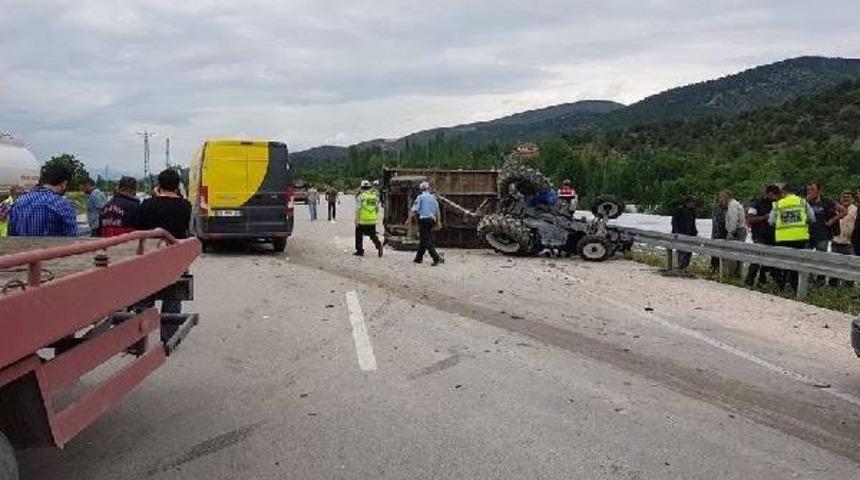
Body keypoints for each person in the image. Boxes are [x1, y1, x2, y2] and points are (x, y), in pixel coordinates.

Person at [137, 169, 192, 341]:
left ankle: (141, 333)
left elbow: (141, 228)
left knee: (145, 295)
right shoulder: (185, 206)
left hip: (150, 256)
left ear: (159, 185)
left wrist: (154, 196)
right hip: (175, 256)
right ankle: (169, 336)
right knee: (173, 296)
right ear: (178, 186)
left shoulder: (147, 204)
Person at [9, 163, 77, 237]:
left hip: (24, 248)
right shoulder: (63, 205)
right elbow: (71, 238)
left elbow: (12, 234)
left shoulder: (19, 202)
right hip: (53, 248)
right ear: (64, 184)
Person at [769, 185, 816, 291]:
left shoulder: (778, 204)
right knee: (797, 264)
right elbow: (812, 218)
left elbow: (771, 221)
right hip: (800, 238)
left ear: (783, 192)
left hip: (783, 238)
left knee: (783, 263)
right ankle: (796, 287)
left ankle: (781, 285)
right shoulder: (802, 202)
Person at [744, 185, 779, 286]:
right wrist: (765, 217)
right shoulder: (757, 204)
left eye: (775, 195)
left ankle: (762, 282)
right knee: (757, 259)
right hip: (759, 235)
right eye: (771, 195)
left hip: (772, 237)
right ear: (767, 193)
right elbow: (749, 219)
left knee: (768, 262)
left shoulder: (776, 205)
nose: (773, 197)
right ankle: (749, 280)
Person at [408, 181, 444, 266]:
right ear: (428, 188)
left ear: (421, 189)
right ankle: (418, 258)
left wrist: (408, 219)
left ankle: (436, 258)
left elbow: (414, 210)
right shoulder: (433, 198)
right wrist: (438, 222)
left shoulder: (420, 197)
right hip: (432, 220)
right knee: (424, 239)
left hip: (424, 220)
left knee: (426, 240)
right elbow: (437, 211)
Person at [830, 190, 856, 286]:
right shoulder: (835, 210)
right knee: (834, 267)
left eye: (848, 197)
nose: (845, 199)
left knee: (851, 268)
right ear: (840, 198)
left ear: (852, 199)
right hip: (836, 241)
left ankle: (848, 289)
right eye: (843, 196)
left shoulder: (856, 210)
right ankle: (832, 288)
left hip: (849, 243)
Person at [720, 190, 747, 277]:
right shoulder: (736, 204)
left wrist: (731, 232)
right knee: (739, 254)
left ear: (726, 197)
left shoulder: (732, 205)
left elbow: (733, 219)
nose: (721, 200)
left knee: (733, 254)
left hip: (737, 231)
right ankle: (737, 273)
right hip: (741, 230)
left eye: (722, 198)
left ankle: (733, 273)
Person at [354, 180, 383, 257]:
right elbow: (376, 208)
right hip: (372, 219)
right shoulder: (374, 196)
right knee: (372, 234)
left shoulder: (361, 196)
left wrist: (356, 220)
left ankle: (360, 251)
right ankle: (378, 245)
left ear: (362, 187)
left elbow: (358, 209)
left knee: (359, 235)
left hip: (362, 220)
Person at [670, 196, 698, 271]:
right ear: (687, 202)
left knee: (688, 252)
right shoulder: (680, 210)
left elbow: (693, 223)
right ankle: (681, 267)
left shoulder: (692, 211)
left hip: (690, 235)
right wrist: (676, 232)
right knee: (682, 252)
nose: (694, 204)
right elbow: (674, 222)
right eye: (692, 202)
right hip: (681, 234)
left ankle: (685, 267)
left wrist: (695, 232)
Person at [710, 195, 728, 272]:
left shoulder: (717, 209)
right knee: (716, 255)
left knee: (715, 254)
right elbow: (720, 223)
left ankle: (715, 269)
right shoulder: (720, 210)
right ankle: (715, 269)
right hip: (719, 235)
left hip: (716, 235)